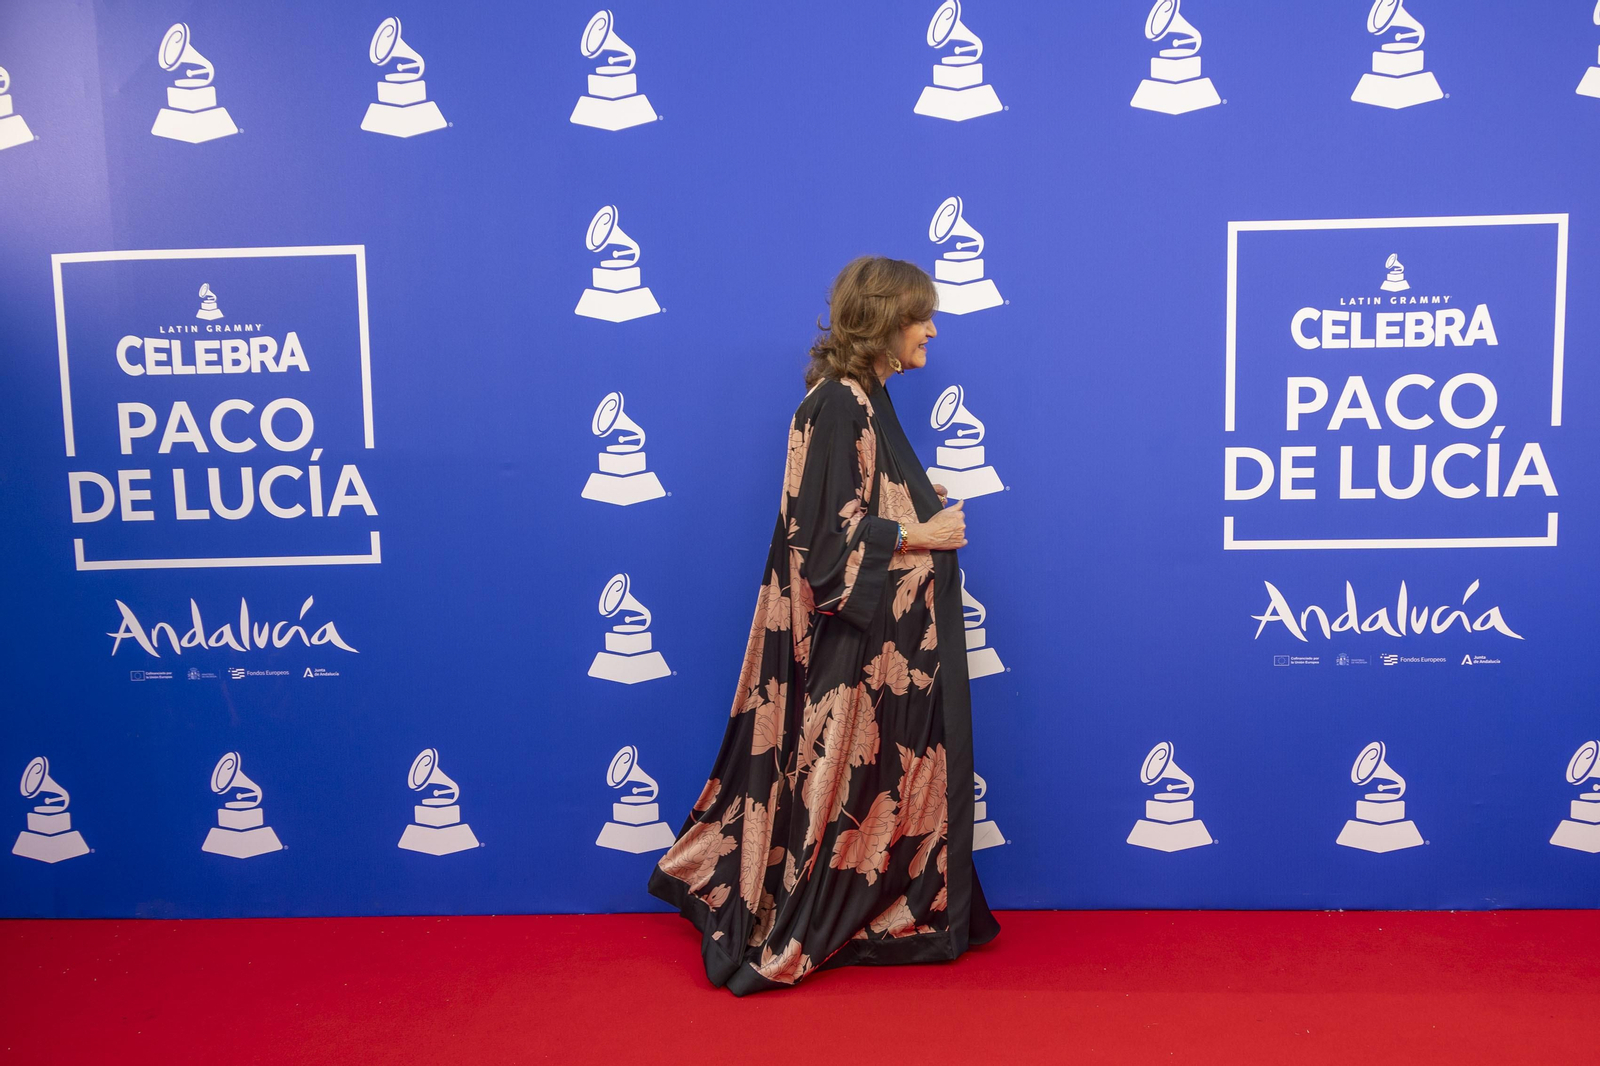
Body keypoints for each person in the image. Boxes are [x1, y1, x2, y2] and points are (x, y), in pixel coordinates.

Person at [647, 256, 1000, 994]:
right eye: (920, 317)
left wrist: (908, 496)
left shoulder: (864, 400)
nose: (932, 329)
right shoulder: (839, 403)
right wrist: (919, 536)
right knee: (840, 775)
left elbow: (852, 499)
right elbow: (825, 542)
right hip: (853, 649)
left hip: (880, 647)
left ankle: (885, 900)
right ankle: (820, 912)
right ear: (883, 320)